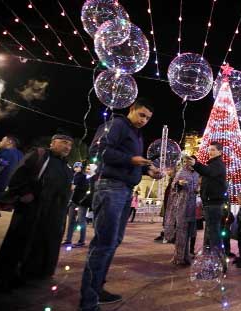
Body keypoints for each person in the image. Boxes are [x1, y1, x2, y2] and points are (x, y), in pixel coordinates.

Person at [79, 99, 163, 311]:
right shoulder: (117, 124)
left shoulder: (136, 133)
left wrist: (147, 170)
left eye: (148, 118)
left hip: (124, 190)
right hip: (110, 187)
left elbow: (130, 161)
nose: (144, 120)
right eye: (141, 115)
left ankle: (97, 289)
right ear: (131, 110)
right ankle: (88, 301)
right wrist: (131, 160)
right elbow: (98, 151)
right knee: (103, 243)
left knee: (113, 241)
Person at [0, 133, 73, 291]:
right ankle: (7, 277)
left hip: (52, 214)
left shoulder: (66, 166)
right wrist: (25, 194)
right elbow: (17, 176)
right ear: (52, 143)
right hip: (31, 210)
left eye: (70, 145)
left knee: (41, 244)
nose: (68, 147)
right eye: (64, 142)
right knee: (20, 243)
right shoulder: (39, 155)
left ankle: (32, 274)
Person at [187, 141, 228, 252]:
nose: (210, 152)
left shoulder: (217, 164)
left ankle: (216, 257)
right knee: (211, 231)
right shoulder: (213, 163)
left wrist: (196, 164)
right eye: (209, 149)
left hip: (214, 204)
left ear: (220, 152)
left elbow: (208, 171)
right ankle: (210, 254)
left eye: (213, 150)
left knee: (214, 232)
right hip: (210, 203)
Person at [166, 158, 199, 265]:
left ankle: (186, 256)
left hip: (192, 206)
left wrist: (198, 189)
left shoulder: (197, 173)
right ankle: (178, 257)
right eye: (187, 162)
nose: (188, 164)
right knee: (181, 231)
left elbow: (197, 186)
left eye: (191, 162)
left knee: (189, 233)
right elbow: (173, 186)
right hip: (182, 205)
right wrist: (179, 184)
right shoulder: (181, 171)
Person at [63, 162, 89, 248]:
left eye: (79, 167)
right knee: (70, 221)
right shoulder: (73, 175)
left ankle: (81, 240)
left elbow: (85, 188)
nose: (77, 168)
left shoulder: (84, 176)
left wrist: (75, 187)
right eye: (76, 167)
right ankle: (68, 240)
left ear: (81, 168)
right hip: (73, 201)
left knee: (81, 221)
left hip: (81, 202)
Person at [0, 135, 23, 203]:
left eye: (2, 140)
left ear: (9, 142)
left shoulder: (6, 151)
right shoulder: (21, 154)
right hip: (11, 189)